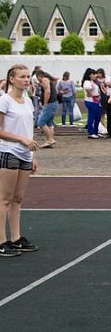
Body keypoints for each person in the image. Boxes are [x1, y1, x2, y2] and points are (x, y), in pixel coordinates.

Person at [0, 64, 40, 257]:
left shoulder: (28, 101)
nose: (26, 80)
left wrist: (33, 155)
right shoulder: (4, 101)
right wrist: (20, 140)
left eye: (27, 77)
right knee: (4, 199)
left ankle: (16, 238)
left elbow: (29, 130)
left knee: (18, 198)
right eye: (22, 77)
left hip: (25, 155)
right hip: (9, 153)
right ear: (12, 79)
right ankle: (1, 240)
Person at [34, 69, 59, 148]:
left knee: (40, 122)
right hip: (53, 103)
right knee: (49, 123)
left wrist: (45, 103)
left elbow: (47, 91)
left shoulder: (44, 79)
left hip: (50, 103)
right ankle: (50, 140)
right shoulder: (48, 80)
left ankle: (50, 140)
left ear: (38, 76)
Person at [82, 68, 101, 139]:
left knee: (97, 117)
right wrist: (95, 95)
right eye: (93, 74)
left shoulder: (92, 81)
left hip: (95, 101)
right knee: (92, 116)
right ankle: (91, 132)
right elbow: (88, 93)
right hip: (91, 101)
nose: (95, 75)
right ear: (89, 75)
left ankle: (95, 131)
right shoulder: (87, 82)